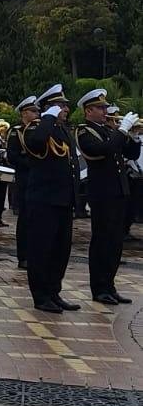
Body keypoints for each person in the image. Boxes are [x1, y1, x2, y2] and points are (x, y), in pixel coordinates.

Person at [75, 90, 140, 305]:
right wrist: (121, 130)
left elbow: (130, 153)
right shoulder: (85, 131)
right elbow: (104, 149)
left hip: (119, 191)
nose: (106, 112)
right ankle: (99, 288)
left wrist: (134, 135)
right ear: (88, 110)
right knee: (102, 240)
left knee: (115, 242)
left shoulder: (107, 129)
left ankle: (110, 285)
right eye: (101, 108)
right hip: (102, 193)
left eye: (105, 108)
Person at [22, 84, 80, 314]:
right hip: (43, 199)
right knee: (41, 249)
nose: (65, 109)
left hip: (63, 199)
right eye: (60, 105)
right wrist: (46, 118)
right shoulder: (35, 128)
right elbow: (36, 143)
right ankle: (40, 295)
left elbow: (71, 163)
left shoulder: (62, 130)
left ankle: (54, 291)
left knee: (60, 249)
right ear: (48, 108)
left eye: (65, 105)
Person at [7, 96, 39, 269]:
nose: (37, 114)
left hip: (39, 180)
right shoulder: (16, 132)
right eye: (33, 111)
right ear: (24, 113)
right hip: (25, 178)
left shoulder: (40, 130)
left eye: (37, 111)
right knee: (26, 218)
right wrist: (33, 164)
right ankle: (23, 256)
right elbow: (12, 156)